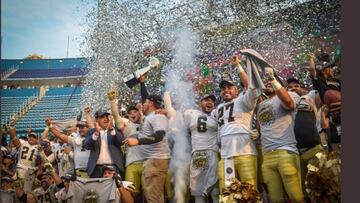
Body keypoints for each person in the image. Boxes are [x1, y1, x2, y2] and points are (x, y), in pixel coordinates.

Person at [213, 54, 261, 195]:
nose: (226, 90)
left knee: (249, 192)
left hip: (245, 152)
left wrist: (238, 66)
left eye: (230, 87)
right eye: (223, 88)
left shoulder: (243, 101)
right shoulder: (217, 109)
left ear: (237, 90)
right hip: (226, 156)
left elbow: (251, 87)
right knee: (227, 193)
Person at [256, 68, 305, 203]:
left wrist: (273, 79)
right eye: (265, 81)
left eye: (270, 79)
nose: (267, 82)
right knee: (275, 199)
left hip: (286, 151)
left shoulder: (290, 94)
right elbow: (261, 126)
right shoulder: (260, 105)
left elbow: (289, 103)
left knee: (296, 197)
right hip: (267, 155)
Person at [124, 94, 170, 203]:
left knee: (153, 197)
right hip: (152, 160)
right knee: (152, 196)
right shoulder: (150, 117)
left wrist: (138, 141)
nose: (142, 104)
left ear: (150, 103)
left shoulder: (157, 116)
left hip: (156, 160)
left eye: (145, 102)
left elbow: (159, 135)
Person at [286, 77, 326, 200]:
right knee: (304, 189)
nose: (293, 88)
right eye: (290, 87)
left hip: (313, 148)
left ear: (302, 88)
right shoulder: (283, 104)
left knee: (323, 184)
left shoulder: (310, 98)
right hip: (295, 153)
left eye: (296, 86)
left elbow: (323, 95)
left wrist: (315, 75)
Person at [108, 88, 145, 202]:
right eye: (130, 113)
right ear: (128, 116)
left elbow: (145, 123)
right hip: (131, 164)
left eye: (135, 112)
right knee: (132, 194)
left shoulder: (147, 123)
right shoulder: (127, 126)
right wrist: (112, 100)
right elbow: (116, 115)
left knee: (149, 193)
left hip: (147, 163)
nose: (133, 114)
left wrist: (142, 111)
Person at [183, 94, 219, 202]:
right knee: (198, 192)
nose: (210, 102)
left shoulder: (216, 114)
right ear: (200, 102)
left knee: (215, 190)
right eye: (206, 100)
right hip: (197, 153)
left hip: (212, 152)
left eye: (212, 101)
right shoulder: (191, 113)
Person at [84, 109, 126, 178]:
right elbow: (86, 146)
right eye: (102, 117)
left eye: (107, 116)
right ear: (96, 119)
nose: (105, 119)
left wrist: (112, 129)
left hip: (113, 167)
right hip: (96, 169)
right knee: (97, 189)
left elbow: (121, 142)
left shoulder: (115, 130)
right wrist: (96, 134)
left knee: (115, 188)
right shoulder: (92, 132)